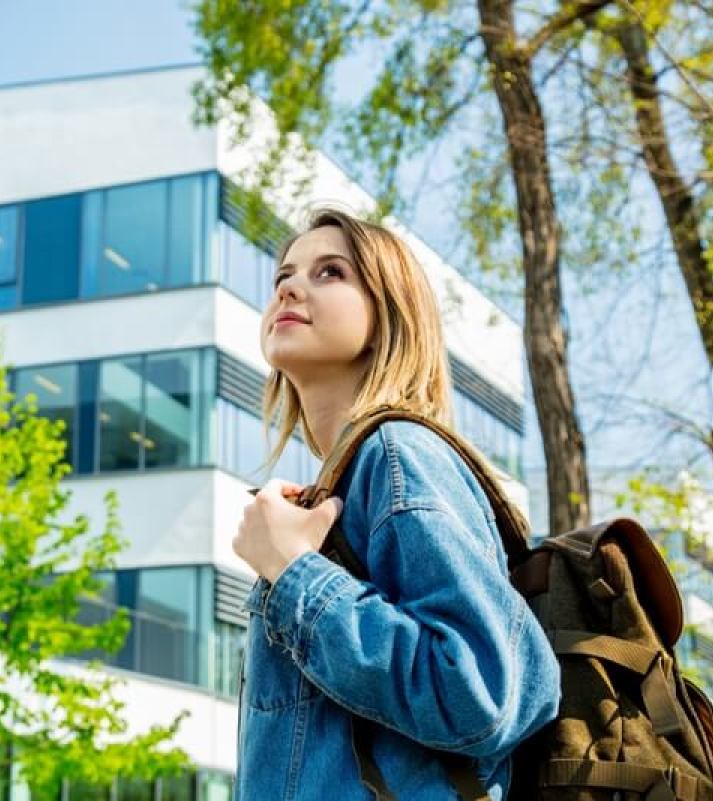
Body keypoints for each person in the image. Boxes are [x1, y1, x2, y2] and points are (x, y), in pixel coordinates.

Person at [231, 207, 560, 800]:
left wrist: (294, 573)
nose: (288, 286)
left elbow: (482, 693)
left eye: (330, 272)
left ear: (390, 316)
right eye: (284, 274)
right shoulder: (346, 482)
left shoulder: (402, 454)